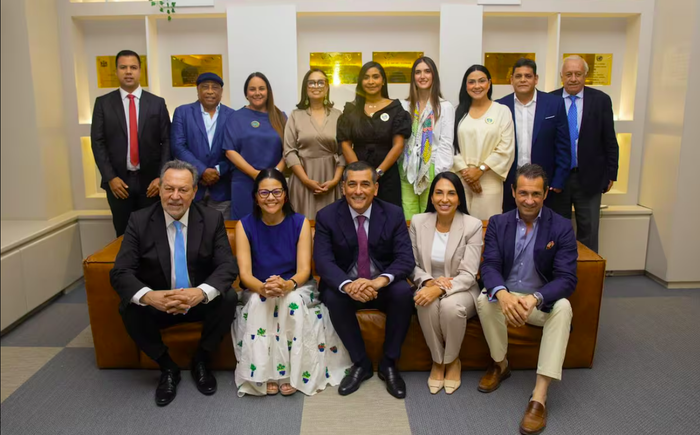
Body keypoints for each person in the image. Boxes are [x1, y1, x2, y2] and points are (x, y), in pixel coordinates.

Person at [110, 160, 238, 407]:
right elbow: (121, 271)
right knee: (129, 306)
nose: (175, 196)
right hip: (159, 304)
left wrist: (200, 293)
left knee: (229, 298)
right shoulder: (139, 221)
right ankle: (168, 367)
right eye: (169, 188)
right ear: (159, 189)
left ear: (195, 191)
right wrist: (149, 296)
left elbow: (227, 266)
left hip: (198, 301)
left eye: (183, 189)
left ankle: (201, 359)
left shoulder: (211, 219)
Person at [476, 164, 577, 435]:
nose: (529, 200)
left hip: (538, 303)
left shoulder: (561, 226)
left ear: (545, 194)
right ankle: (501, 365)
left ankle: (539, 396)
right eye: (523, 193)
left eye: (535, 194)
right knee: (484, 299)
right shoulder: (498, 223)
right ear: (513, 192)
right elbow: (489, 266)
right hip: (507, 299)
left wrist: (536, 298)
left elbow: (567, 279)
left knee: (564, 307)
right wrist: (503, 294)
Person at [231, 169, 350, 396]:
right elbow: (245, 274)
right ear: (255, 197)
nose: (271, 198)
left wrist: (287, 285)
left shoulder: (299, 222)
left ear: (285, 195)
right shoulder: (244, 225)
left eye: (276, 192)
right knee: (259, 302)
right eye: (264, 193)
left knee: (291, 301)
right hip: (258, 287)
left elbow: (304, 270)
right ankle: (265, 374)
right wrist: (263, 288)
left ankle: (291, 373)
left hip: (297, 286)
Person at [313, 161, 416, 399]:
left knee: (402, 293)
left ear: (375, 188)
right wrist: (348, 285)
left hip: (380, 285)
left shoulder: (393, 214)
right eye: (352, 184)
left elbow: (405, 259)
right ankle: (361, 364)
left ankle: (389, 364)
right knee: (332, 296)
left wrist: (378, 282)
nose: (358, 191)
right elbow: (323, 261)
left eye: (365, 184)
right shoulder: (327, 216)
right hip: (346, 287)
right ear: (343, 188)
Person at [409, 172, 483, 394]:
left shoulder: (472, 225)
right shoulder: (418, 222)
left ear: (459, 198)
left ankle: (452, 361)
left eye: (451, 193)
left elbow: (469, 274)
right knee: (425, 303)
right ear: (431, 198)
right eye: (439, 193)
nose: (444, 199)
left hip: (462, 288)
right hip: (427, 284)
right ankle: (438, 361)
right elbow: (411, 264)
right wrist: (429, 282)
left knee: (451, 307)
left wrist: (439, 288)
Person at [91, 49, 171, 236]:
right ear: (116, 71)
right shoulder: (103, 103)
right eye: (123, 67)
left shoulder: (157, 103)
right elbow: (98, 142)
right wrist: (110, 177)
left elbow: (167, 141)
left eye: (133, 67)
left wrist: (161, 177)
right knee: (124, 235)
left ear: (140, 71)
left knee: (153, 233)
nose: (128, 72)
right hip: (118, 183)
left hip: (151, 183)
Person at [548, 55, 619, 253]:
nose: (573, 79)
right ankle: (559, 269)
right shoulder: (550, 100)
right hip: (558, 179)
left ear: (585, 76)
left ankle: (588, 269)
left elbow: (609, 139)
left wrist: (611, 173)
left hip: (590, 177)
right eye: (569, 74)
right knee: (557, 230)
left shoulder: (601, 100)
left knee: (589, 230)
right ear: (561, 76)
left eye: (578, 74)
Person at [497, 58, 571, 216]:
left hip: (545, 184)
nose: (523, 80)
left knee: (544, 226)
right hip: (509, 182)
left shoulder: (554, 104)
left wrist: (558, 181)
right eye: (518, 76)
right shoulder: (500, 106)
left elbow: (563, 145)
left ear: (536, 79)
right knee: (510, 224)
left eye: (528, 76)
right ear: (511, 80)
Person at [337, 62, 412, 208]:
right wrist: (360, 174)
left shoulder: (395, 109)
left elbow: (398, 145)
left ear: (383, 81)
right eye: (366, 77)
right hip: (356, 177)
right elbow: (345, 144)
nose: (371, 81)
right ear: (361, 82)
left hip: (387, 175)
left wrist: (377, 174)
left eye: (375, 77)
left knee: (388, 216)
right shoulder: (351, 109)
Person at [452, 64, 515, 221]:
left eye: (481, 81)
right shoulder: (457, 112)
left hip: (489, 180)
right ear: (465, 85)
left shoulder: (502, 111)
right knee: (460, 226)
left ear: (489, 83)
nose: (477, 86)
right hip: (461, 179)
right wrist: (467, 172)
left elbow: (506, 148)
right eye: (471, 82)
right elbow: (450, 146)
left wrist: (480, 170)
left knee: (487, 227)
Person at [224, 72, 287, 220]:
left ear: (268, 91)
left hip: (274, 185)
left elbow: (288, 150)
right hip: (244, 183)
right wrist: (255, 174)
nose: (257, 93)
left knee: (274, 224)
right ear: (246, 93)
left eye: (261, 88)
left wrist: (274, 174)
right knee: (244, 226)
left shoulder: (280, 116)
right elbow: (229, 151)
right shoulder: (235, 117)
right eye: (252, 89)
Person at [171, 72, 235, 218]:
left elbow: (236, 150)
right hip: (190, 187)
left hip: (222, 189)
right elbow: (178, 147)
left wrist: (218, 171)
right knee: (191, 230)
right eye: (205, 87)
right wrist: (202, 170)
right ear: (198, 90)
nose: (210, 91)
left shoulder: (232, 115)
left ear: (221, 91)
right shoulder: (182, 112)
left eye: (215, 87)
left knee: (221, 229)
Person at [284, 69, 345, 220]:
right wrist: (306, 180)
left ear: (327, 87)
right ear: (305, 87)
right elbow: (289, 151)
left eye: (320, 82)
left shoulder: (338, 115)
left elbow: (344, 151)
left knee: (332, 224)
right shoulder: (295, 115)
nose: (316, 86)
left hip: (330, 178)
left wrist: (335, 181)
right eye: (311, 83)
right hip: (302, 179)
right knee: (302, 225)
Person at [400, 57, 455, 220]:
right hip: (407, 168)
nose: (422, 76)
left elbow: (446, 143)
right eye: (418, 72)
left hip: (431, 168)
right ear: (413, 77)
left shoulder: (444, 107)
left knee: (429, 218)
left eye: (427, 71)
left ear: (434, 76)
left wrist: (440, 176)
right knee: (408, 217)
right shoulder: (404, 106)